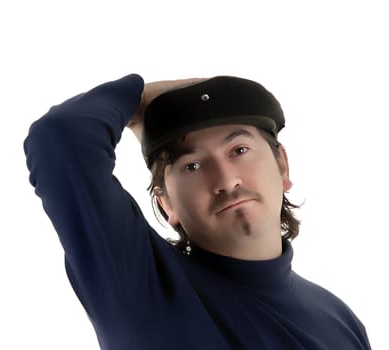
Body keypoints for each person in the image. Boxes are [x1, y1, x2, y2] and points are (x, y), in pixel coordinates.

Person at [23, 74, 371, 349]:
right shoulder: (142, 289)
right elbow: (59, 139)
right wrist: (144, 101)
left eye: (239, 149)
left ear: (282, 164)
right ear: (166, 202)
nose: (226, 179)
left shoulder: (339, 318)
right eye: (192, 166)